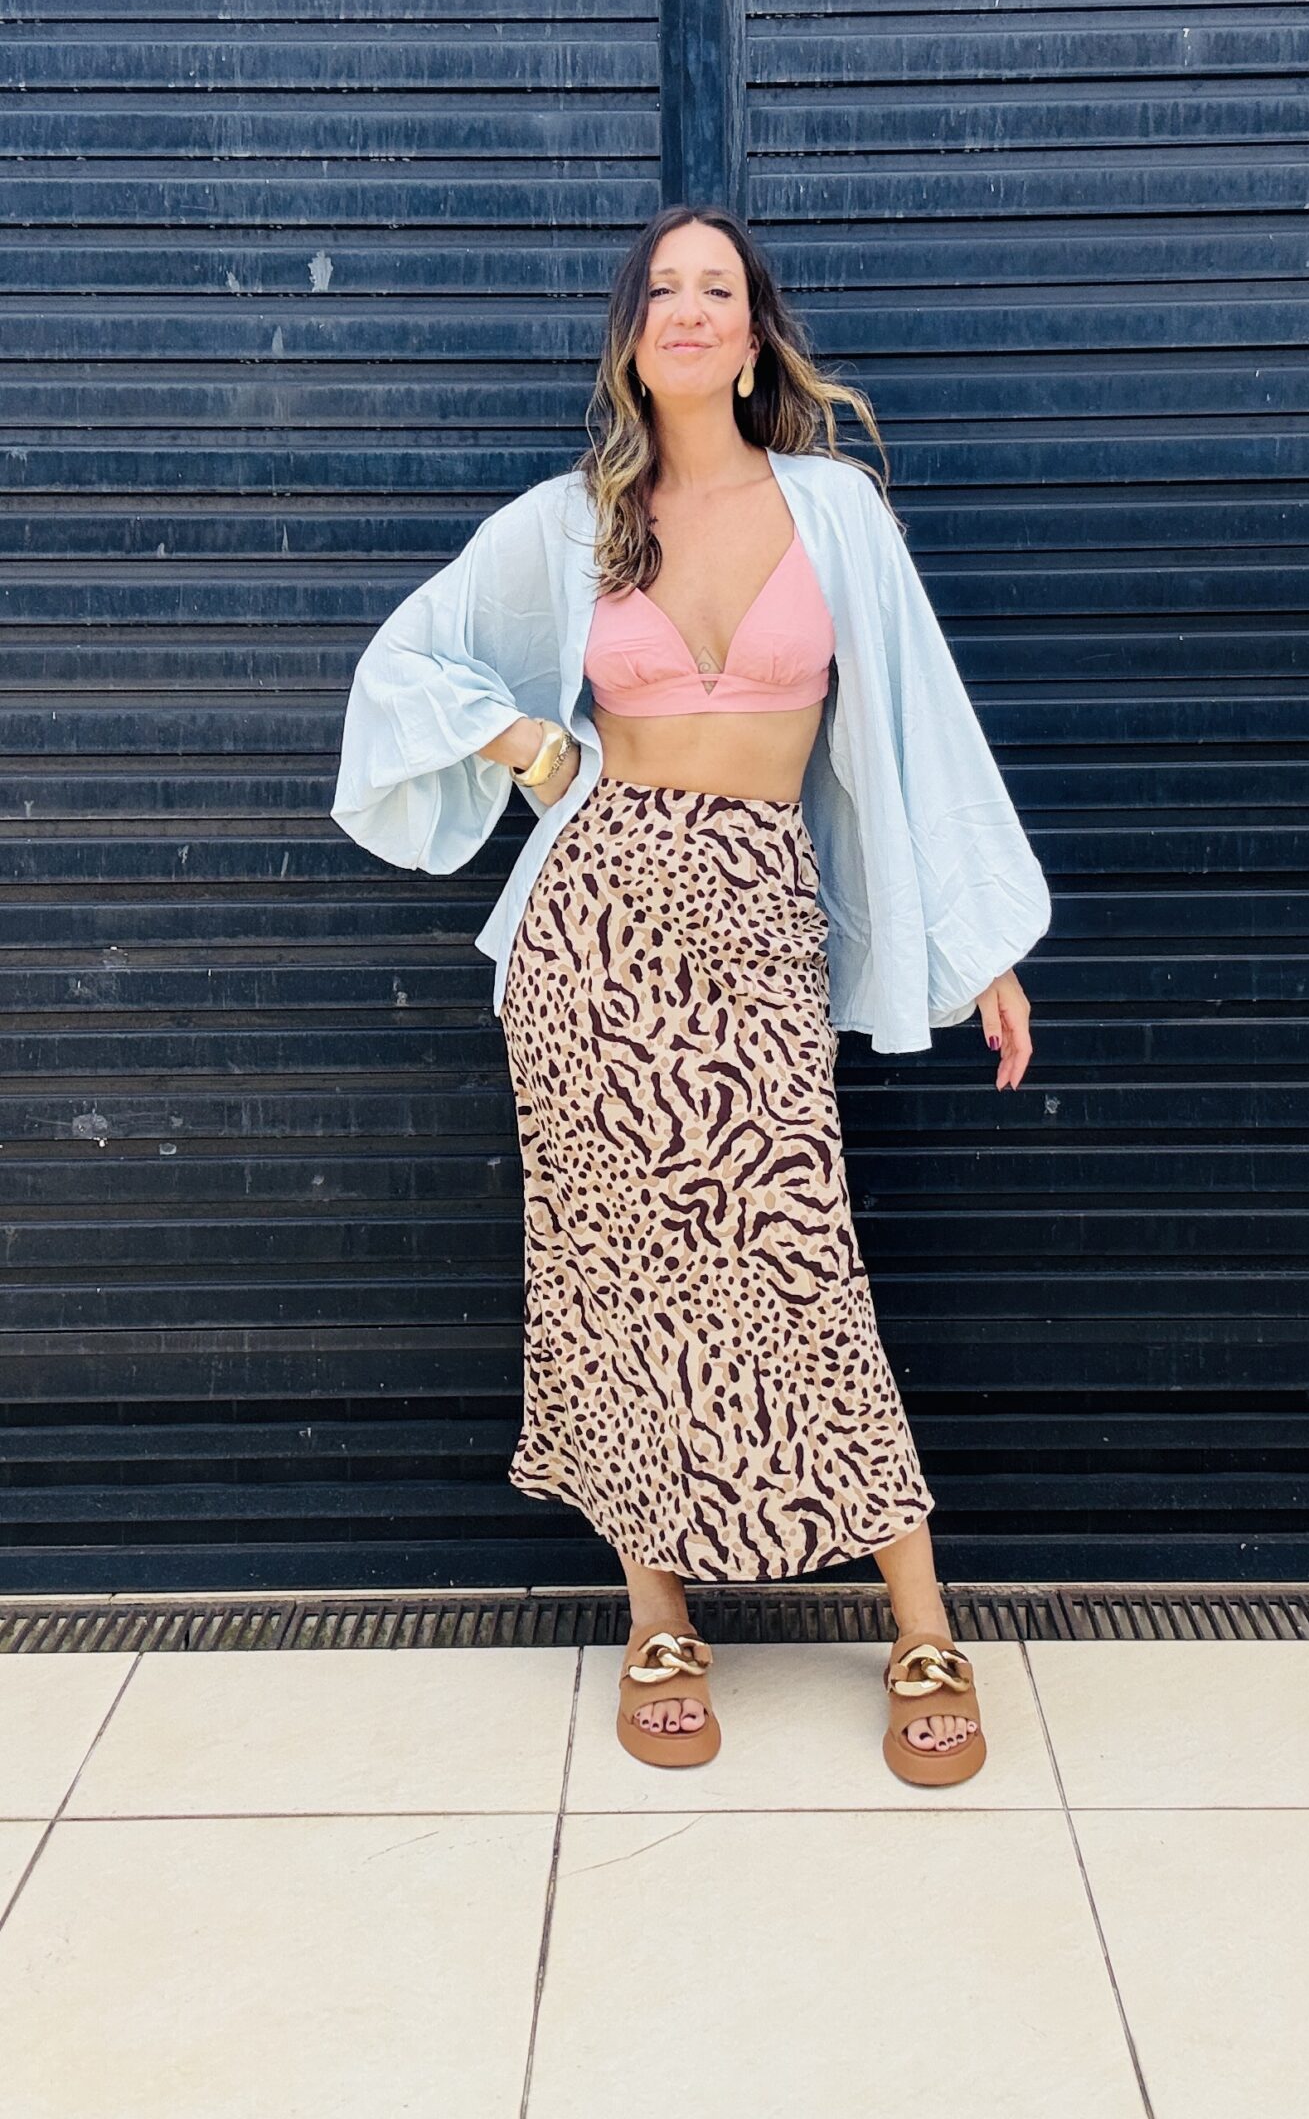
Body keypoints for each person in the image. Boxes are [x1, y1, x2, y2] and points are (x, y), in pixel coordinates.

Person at [331, 203, 1051, 1787]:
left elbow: (919, 725)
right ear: (633, 335)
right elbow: (408, 664)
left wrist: (979, 947)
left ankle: (919, 1621)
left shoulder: (833, 508)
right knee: (612, 1269)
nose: (689, 309)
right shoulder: (574, 523)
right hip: (592, 928)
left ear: (753, 334)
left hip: (755, 920)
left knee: (800, 1255)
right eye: (662, 289)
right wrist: (533, 744)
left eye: (717, 288)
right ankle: (655, 1613)